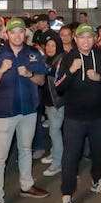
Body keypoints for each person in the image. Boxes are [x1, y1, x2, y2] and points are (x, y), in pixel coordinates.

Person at [0, 18, 49, 203]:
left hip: (28, 110)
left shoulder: (33, 53)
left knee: (26, 150)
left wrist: (29, 74)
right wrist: (2, 70)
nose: (17, 35)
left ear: (25, 34)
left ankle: (27, 186)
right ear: (7, 34)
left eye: (21, 32)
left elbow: (41, 80)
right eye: (13, 32)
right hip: (3, 112)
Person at [55, 24, 101, 203]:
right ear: (75, 39)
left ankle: (97, 180)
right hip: (74, 118)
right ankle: (67, 195)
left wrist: (100, 77)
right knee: (70, 157)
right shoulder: (67, 58)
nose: (85, 40)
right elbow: (58, 86)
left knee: (99, 152)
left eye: (89, 37)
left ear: (94, 39)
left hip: (99, 116)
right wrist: (71, 70)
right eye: (81, 37)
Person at [40, 36, 65, 177]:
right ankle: (55, 153)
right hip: (48, 101)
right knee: (52, 131)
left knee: (55, 132)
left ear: (58, 47)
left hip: (57, 102)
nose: (49, 48)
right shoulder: (47, 59)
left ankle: (58, 162)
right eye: (48, 45)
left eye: (53, 45)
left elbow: (57, 76)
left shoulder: (61, 60)